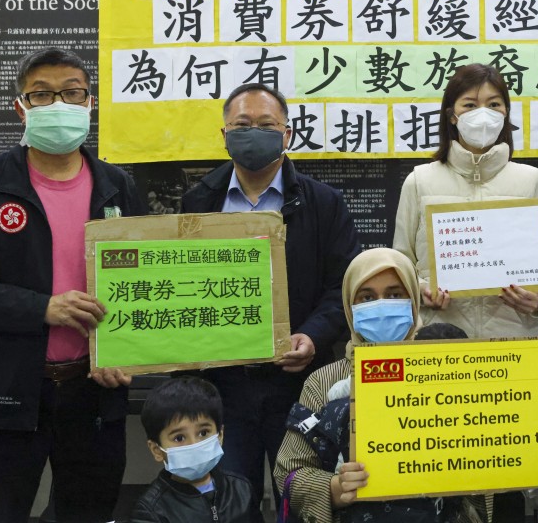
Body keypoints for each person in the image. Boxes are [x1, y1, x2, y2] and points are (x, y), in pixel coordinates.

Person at [0, 47, 145, 522]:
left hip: (92, 393)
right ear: (21, 107)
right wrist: (42, 308)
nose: (58, 105)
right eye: (42, 94)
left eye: (71, 92)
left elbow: (141, 284)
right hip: (0, 392)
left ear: (89, 102)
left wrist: (126, 354)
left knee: (87, 511)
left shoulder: (117, 186)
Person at [180, 82, 361, 507]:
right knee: (230, 502)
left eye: (266, 124)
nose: (253, 133)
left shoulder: (323, 202)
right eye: (242, 125)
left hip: (298, 385)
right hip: (224, 385)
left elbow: (344, 286)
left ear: (287, 135)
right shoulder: (198, 201)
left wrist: (312, 336)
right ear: (223, 135)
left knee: (300, 495)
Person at [273, 248, 483, 523]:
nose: (381, 305)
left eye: (395, 295)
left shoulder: (444, 369)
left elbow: (487, 462)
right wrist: (336, 489)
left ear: (413, 301)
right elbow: (289, 471)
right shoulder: (324, 381)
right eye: (367, 297)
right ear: (350, 305)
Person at [393, 63, 538, 338]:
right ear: (452, 116)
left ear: (505, 113)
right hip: (438, 337)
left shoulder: (530, 181)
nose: (483, 114)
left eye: (494, 104)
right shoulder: (419, 181)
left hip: (514, 338)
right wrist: (420, 290)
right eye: (469, 105)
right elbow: (400, 262)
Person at [129, 376, 263, 523]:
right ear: (156, 450)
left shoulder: (241, 490)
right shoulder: (150, 510)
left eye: (203, 433)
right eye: (179, 438)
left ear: (220, 435)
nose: (193, 444)